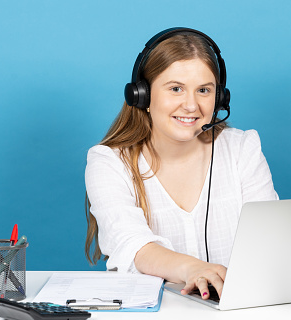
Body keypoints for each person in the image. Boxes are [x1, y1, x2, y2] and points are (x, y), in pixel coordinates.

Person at [85, 28, 278, 301]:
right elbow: (132, 244)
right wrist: (193, 268)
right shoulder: (110, 162)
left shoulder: (242, 149)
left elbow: (269, 238)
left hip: (234, 316)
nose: (191, 105)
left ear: (219, 98)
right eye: (176, 89)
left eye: (203, 90)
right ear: (142, 95)